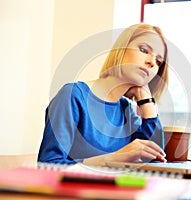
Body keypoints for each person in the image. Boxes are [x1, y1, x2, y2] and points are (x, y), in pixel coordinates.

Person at [38, 23, 169, 166]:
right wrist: (110, 159)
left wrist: (147, 102)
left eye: (158, 61)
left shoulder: (126, 110)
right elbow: (48, 165)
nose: (151, 62)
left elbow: (154, 161)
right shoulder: (73, 96)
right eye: (144, 50)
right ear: (122, 48)